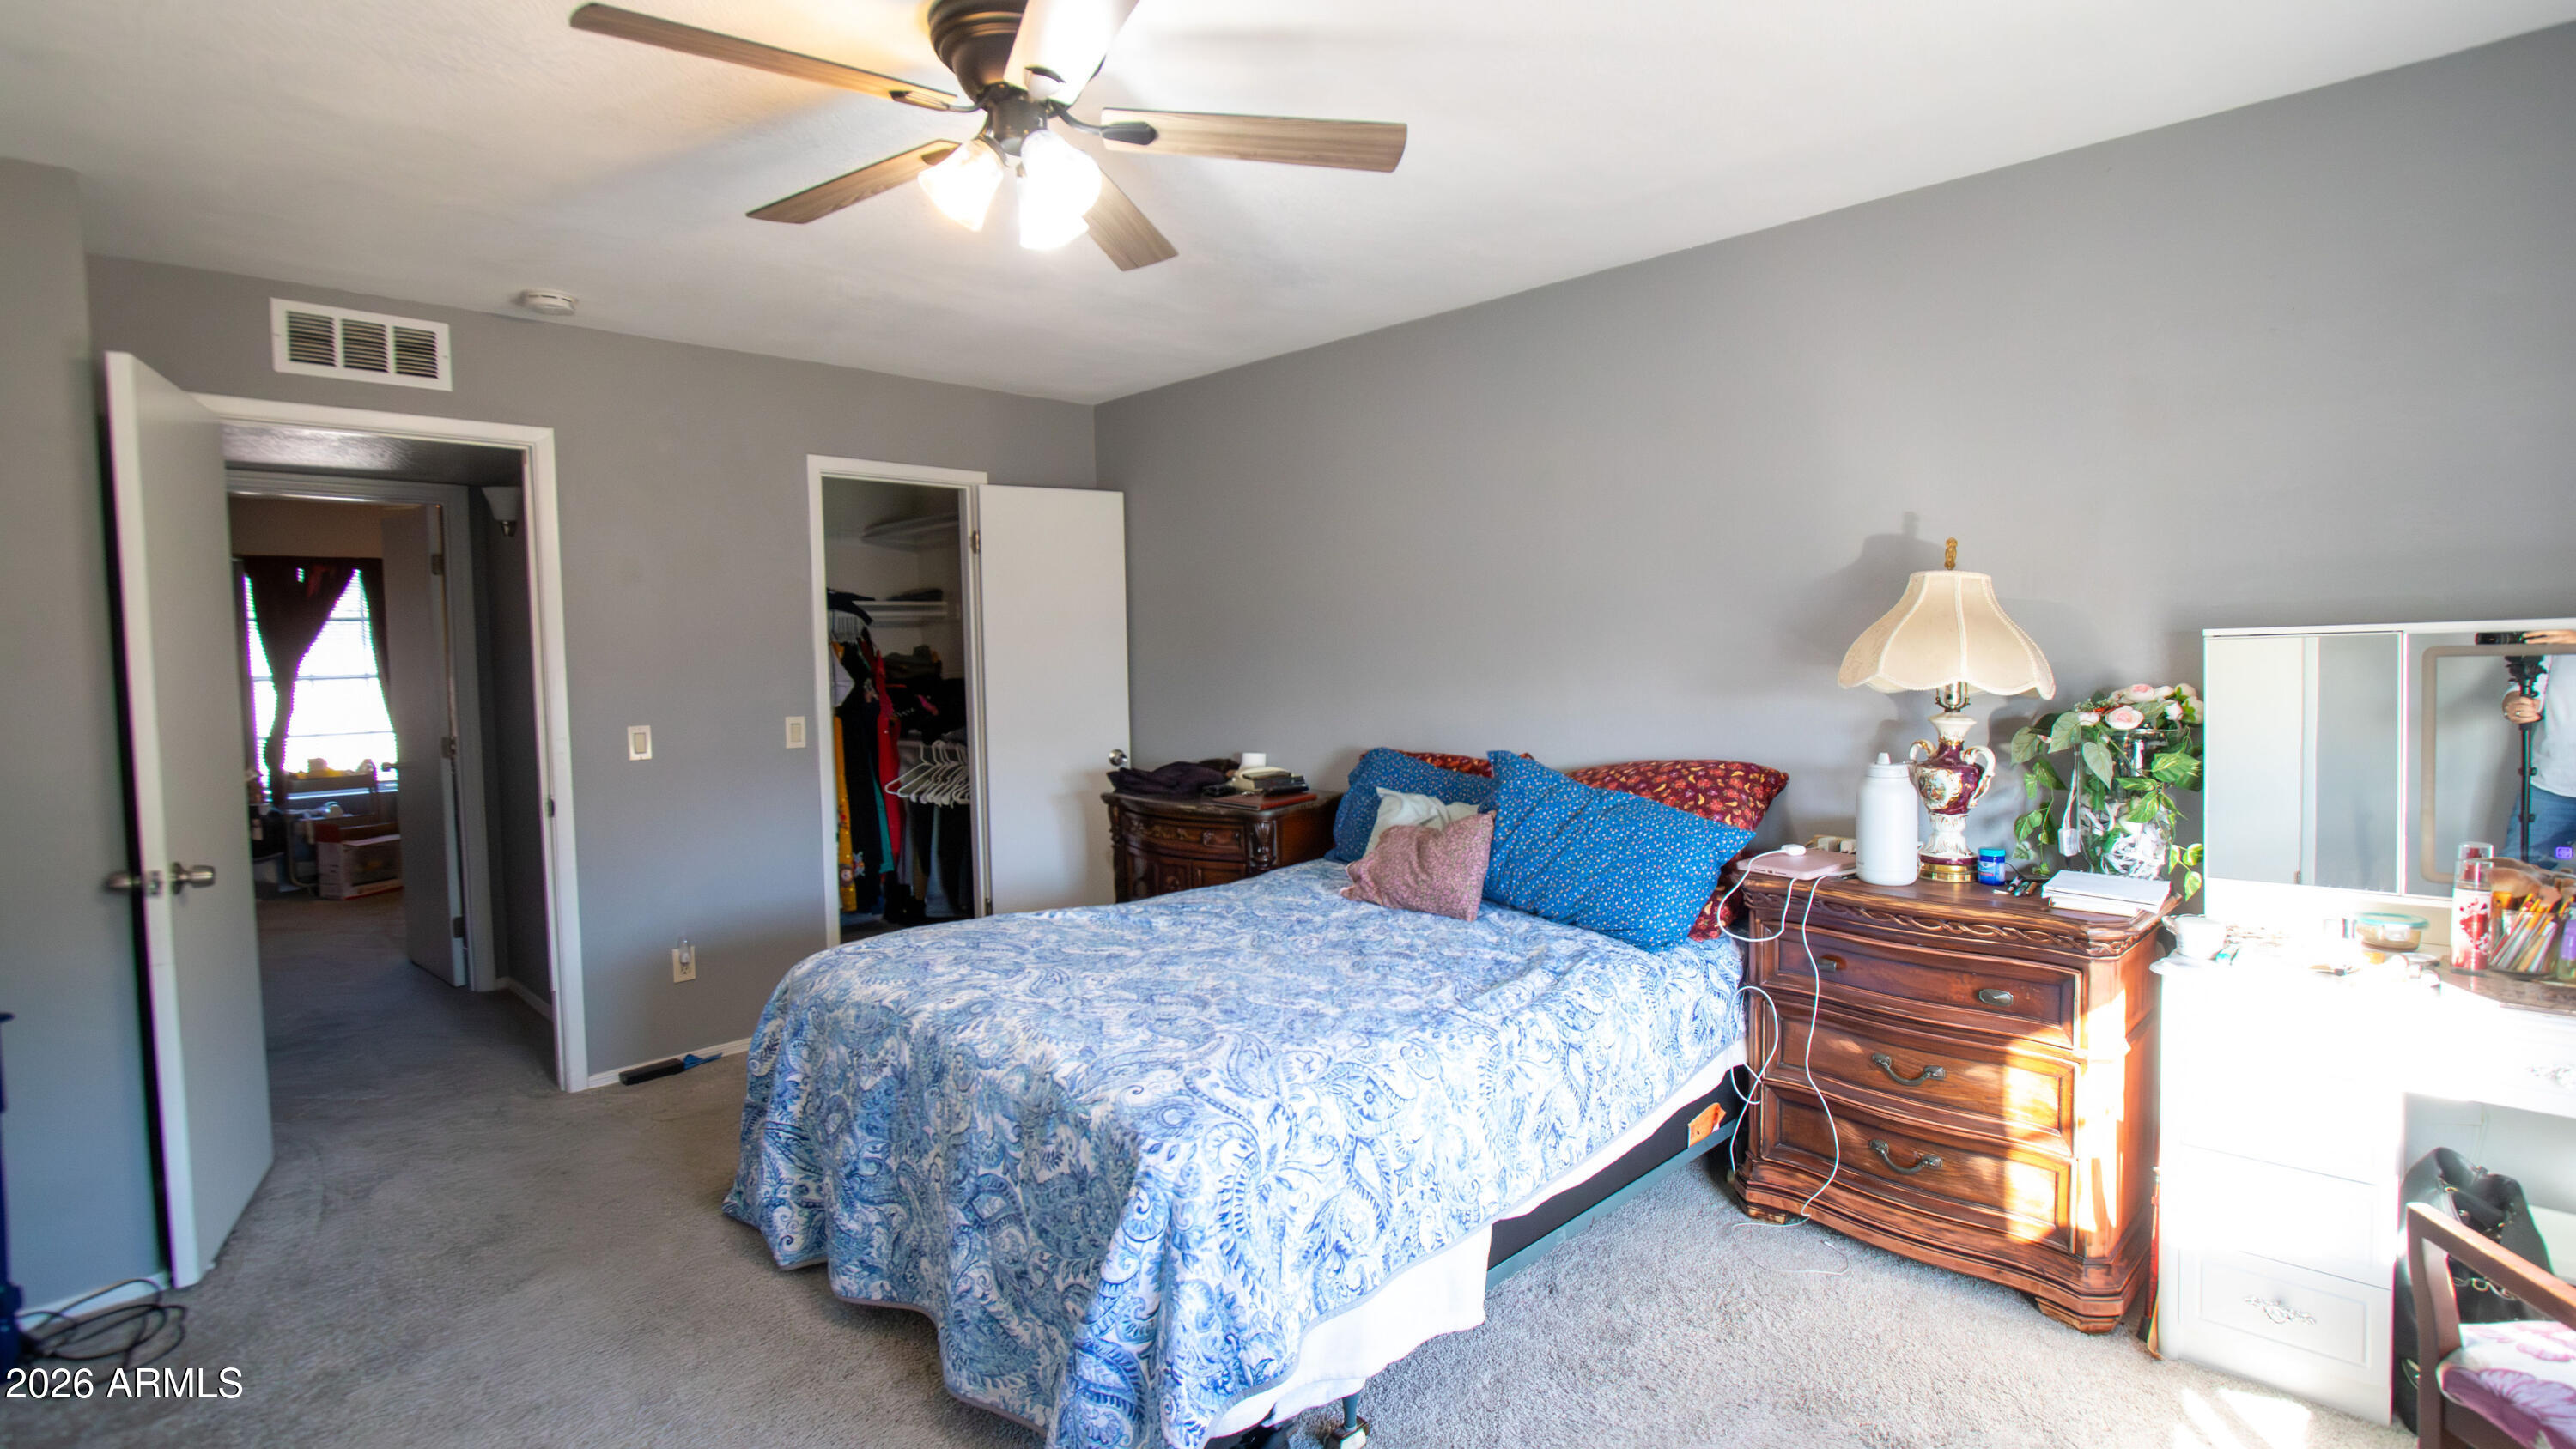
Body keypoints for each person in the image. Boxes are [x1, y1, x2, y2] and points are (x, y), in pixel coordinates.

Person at [2500, 629, 2576, 864]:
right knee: (2517, 879)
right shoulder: (2557, 626)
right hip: (2552, 784)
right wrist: (2515, 705)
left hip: (2552, 785)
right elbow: (2525, 689)